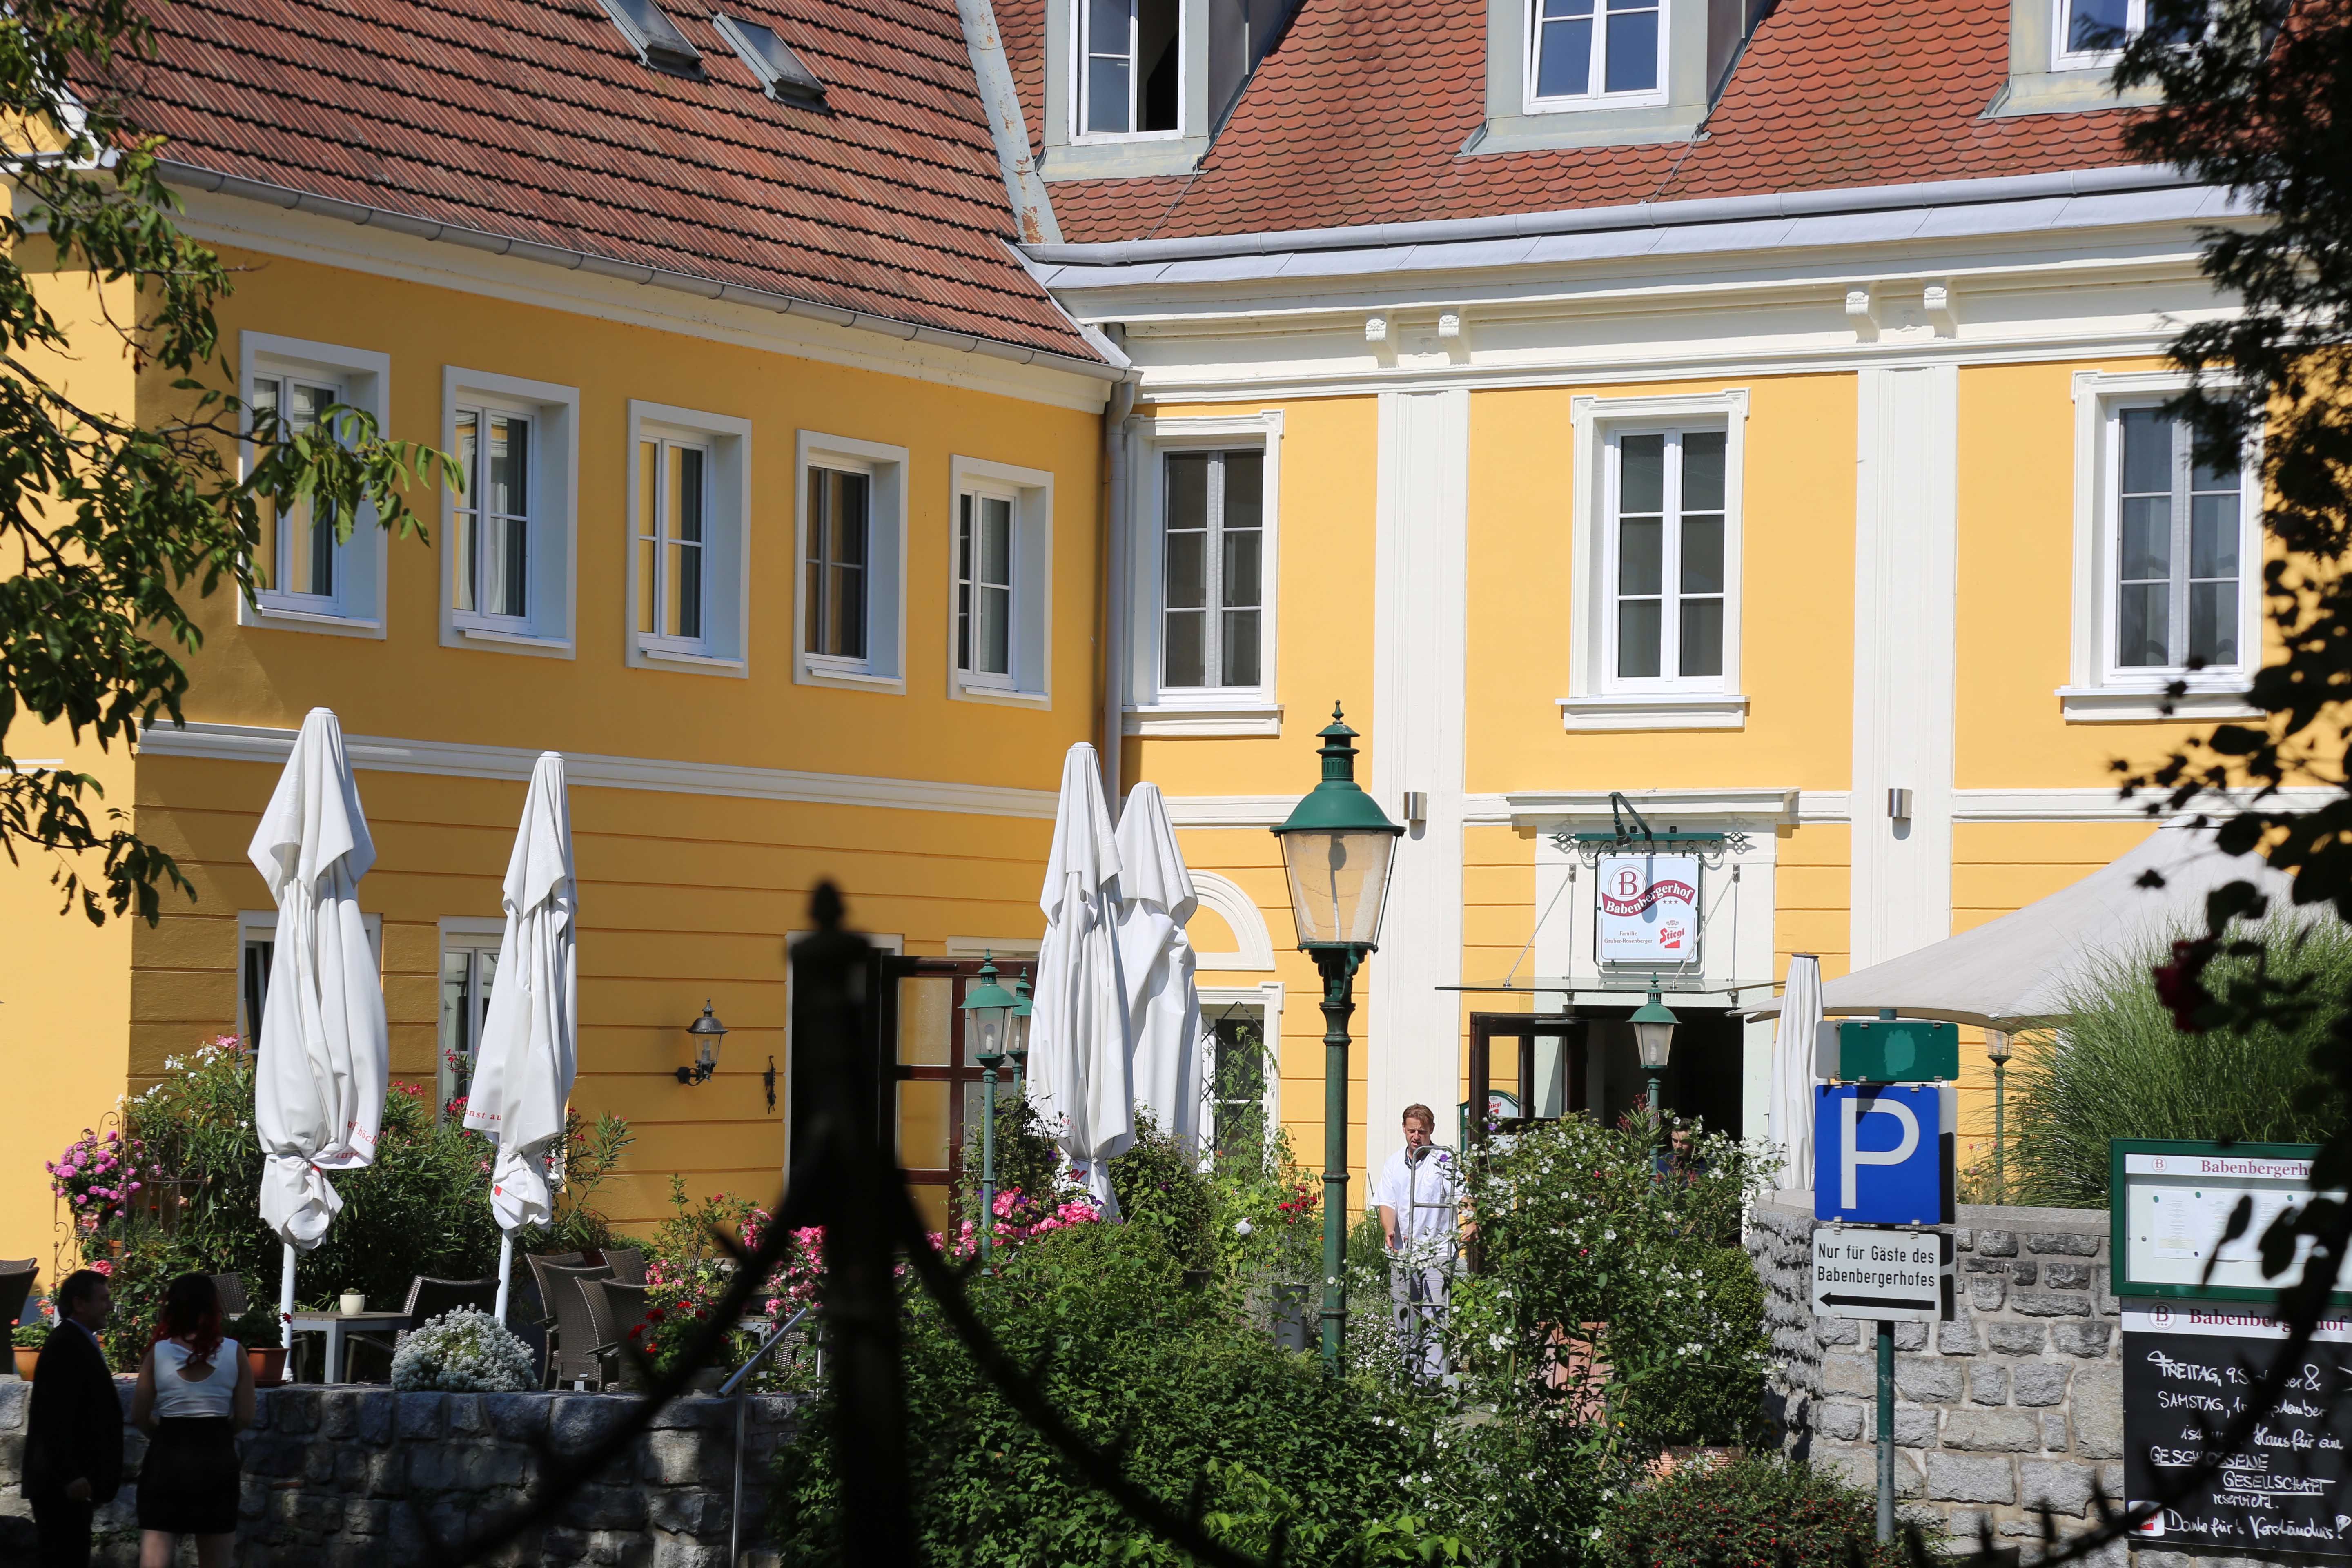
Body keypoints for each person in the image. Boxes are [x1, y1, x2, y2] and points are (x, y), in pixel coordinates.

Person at [128, 1273, 253, 1568]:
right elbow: (245, 1416)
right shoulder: (236, 1353)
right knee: (217, 1560)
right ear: (213, 1307)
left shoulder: (157, 1354)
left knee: (155, 1560)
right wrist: (218, 1434)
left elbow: (140, 1416)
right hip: (216, 1460)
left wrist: (165, 1435)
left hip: (166, 1460)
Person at [20, 1269, 123, 1568]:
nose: (110, 1305)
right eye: (103, 1298)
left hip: (71, 1483)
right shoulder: (66, 1345)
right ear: (80, 1303)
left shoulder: (77, 1340)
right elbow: (54, 1415)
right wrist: (70, 1474)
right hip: (62, 1484)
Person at [1374, 1104, 1461, 1381]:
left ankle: (1434, 1380)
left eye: (1421, 1131)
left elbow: (1463, 1196)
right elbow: (1387, 1202)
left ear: (1431, 1130)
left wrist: (1470, 1222)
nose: (1416, 1136)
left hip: (1437, 1251)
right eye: (1411, 1131)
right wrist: (1389, 1230)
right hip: (1403, 1252)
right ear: (1404, 1130)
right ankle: (1409, 1376)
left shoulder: (1444, 1159)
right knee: (1405, 1317)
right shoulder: (1393, 1163)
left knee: (1436, 1316)